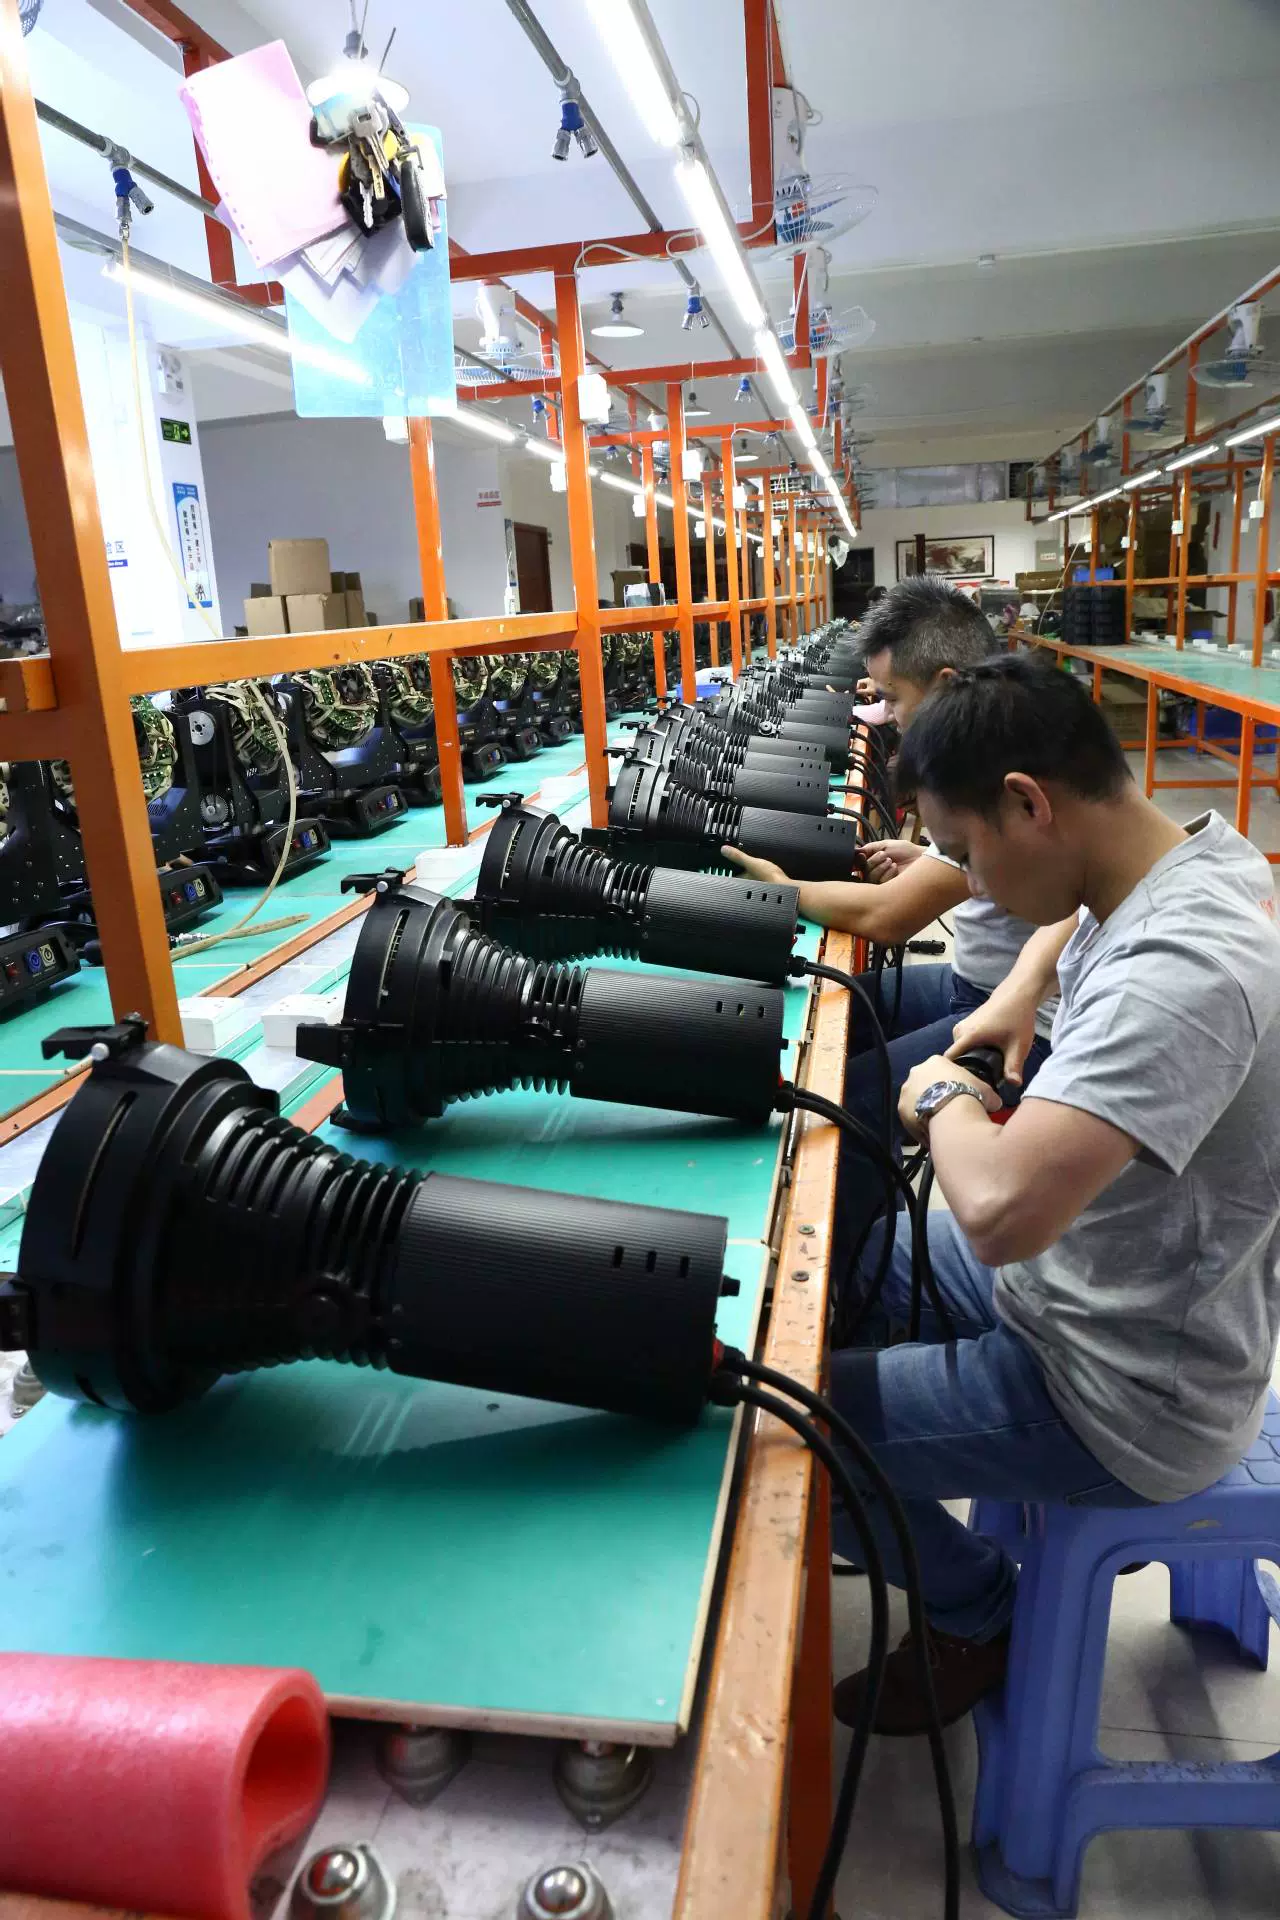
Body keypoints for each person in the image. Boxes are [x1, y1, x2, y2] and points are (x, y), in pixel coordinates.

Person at [829, 653, 1280, 1735]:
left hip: (1122, 1385)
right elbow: (1065, 919)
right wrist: (1025, 986)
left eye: (966, 849)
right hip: (1075, 1284)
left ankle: (980, 1608)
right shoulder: (1181, 855)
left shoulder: (1182, 972)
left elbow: (995, 1215)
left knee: (791, 1438)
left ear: (1029, 803)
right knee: (838, 1272)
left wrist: (941, 1094)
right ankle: (908, 1495)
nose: (970, 886)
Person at [724, 575, 1059, 1261]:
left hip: (1022, 1026)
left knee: (848, 1099)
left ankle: (847, 1273)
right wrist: (931, 854)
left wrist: (785, 890)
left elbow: (888, 918)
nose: (889, 716)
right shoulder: (995, 742)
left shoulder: (997, 775)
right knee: (844, 1004)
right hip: (981, 983)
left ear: (944, 685)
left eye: (895, 699)